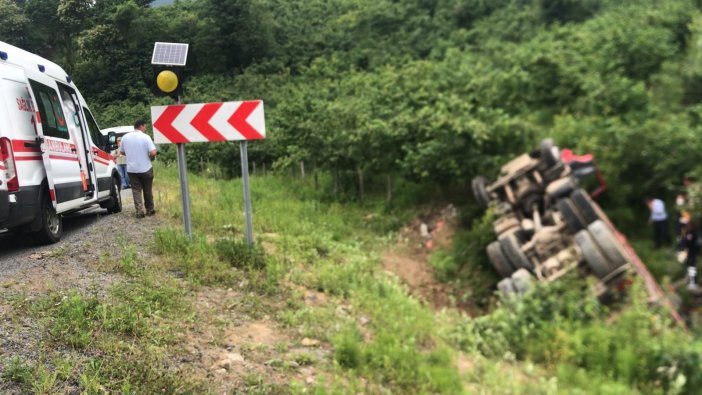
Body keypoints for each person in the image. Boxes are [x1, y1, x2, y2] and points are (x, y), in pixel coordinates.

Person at [120, 119, 157, 218]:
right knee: (147, 190)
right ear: (141, 126)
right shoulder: (146, 137)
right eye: (145, 126)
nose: (145, 128)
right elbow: (153, 152)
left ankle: (139, 211)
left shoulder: (125, 137)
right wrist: (150, 155)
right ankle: (150, 210)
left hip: (132, 169)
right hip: (145, 168)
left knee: (136, 190)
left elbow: (122, 152)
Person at [682, 216, 700, 290]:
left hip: (691, 252)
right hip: (693, 252)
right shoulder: (694, 232)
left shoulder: (691, 233)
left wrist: (685, 250)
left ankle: (693, 283)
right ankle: (692, 282)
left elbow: (688, 243)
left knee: (692, 267)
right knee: (691, 267)